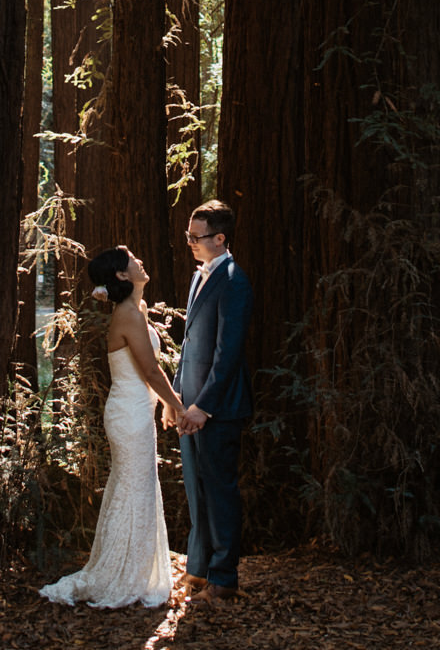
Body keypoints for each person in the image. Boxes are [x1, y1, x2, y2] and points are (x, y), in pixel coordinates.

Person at [39, 246, 184, 609]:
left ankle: (134, 570)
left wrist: (163, 403)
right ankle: (120, 575)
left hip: (136, 411)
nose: (141, 262)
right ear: (121, 275)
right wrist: (176, 405)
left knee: (137, 489)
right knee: (133, 490)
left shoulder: (137, 310)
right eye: (134, 261)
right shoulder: (127, 316)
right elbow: (150, 371)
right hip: (129, 415)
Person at [175, 199, 252, 604]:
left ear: (220, 238)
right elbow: (189, 346)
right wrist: (177, 397)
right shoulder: (199, 277)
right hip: (188, 405)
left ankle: (224, 578)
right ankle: (200, 568)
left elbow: (228, 353)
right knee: (196, 489)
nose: (189, 241)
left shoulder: (234, 281)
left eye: (197, 236)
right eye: (188, 234)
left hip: (218, 409)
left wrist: (203, 406)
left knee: (220, 491)